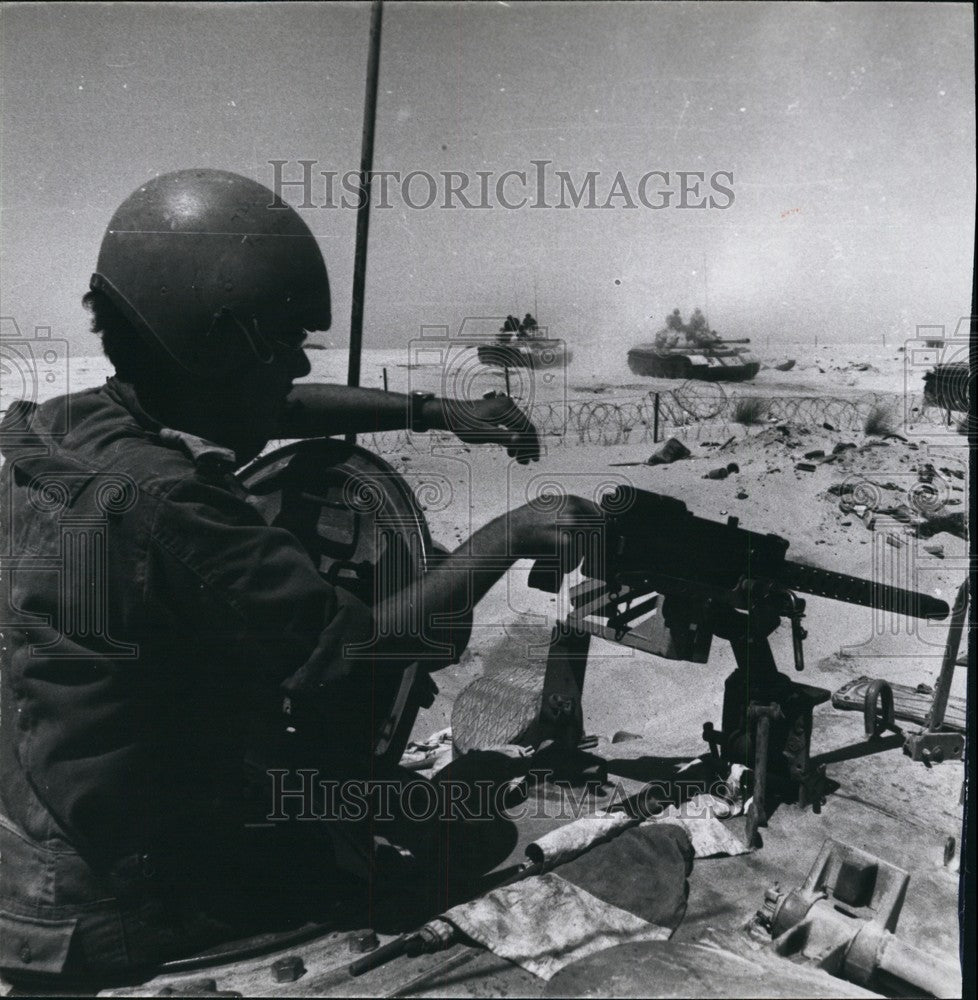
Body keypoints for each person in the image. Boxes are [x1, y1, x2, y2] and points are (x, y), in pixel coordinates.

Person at [0, 169, 601, 985]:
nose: (296, 361)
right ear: (217, 345)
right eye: (282, 341)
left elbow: (274, 408)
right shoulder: (174, 502)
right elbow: (354, 652)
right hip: (126, 901)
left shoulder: (61, 429)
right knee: (469, 843)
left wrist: (435, 412)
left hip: (33, 860)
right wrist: (512, 533)